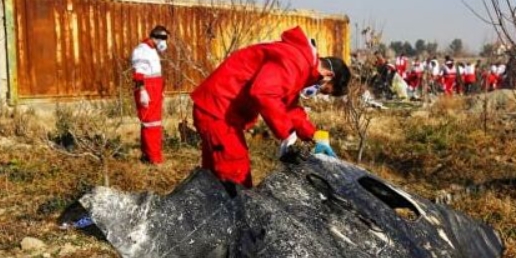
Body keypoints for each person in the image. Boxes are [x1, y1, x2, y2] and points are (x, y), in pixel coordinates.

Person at [190, 26, 351, 191]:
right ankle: (235, 214)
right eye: (324, 90)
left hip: (220, 109)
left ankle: (208, 211)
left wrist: (314, 135)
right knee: (236, 176)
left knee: (213, 178)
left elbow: (288, 107)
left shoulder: (301, 65)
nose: (318, 92)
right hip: (219, 110)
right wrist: (287, 134)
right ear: (328, 76)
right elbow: (264, 93)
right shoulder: (295, 62)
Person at [131, 25, 170, 164]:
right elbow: (139, 72)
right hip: (148, 88)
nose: (165, 42)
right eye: (164, 38)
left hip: (155, 88)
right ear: (157, 37)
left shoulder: (151, 50)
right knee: (151, 124)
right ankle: (154, 159)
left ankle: (148, 155)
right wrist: (142, 91)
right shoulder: (142, 51)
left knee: (152, 123)